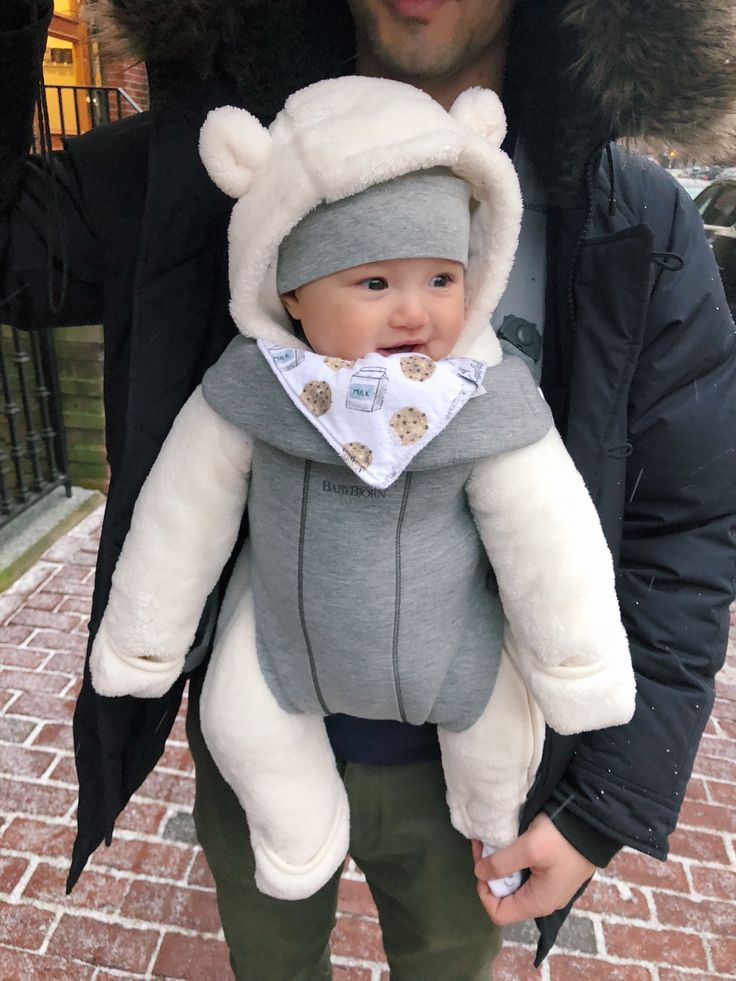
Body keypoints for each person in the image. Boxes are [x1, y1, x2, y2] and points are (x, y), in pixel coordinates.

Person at [2, 0, 735, 977]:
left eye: (440, 280)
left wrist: (605, 799)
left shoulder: (630, 223)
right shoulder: (201, 170)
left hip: (476, 760)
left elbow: (684, 525)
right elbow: (23, 263)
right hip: (259, 727)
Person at [86, 77, 634, 905]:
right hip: (281, 647)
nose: (415, 311)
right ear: (295, 292)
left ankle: (485, 810)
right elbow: (181, 516)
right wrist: (144, 640)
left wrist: (579, 660)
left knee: (498, 729)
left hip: (457, 653)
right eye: (375, 283)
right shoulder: (252, 389)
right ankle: (300, 834)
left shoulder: (482, 395)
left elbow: (548, 533)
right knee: (239, 719)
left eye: (442, 279)